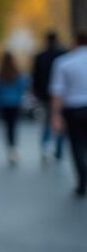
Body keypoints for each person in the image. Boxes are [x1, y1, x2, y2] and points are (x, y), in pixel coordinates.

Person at [50, 31, 87, 197]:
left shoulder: (64, 62)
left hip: (74, 109)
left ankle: (82, 180)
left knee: (77, 146)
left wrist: (56, 115)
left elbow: (58, 92)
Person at [31, 31, 67, 162]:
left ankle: (45, 146)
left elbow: (35, 76)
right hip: (62, 95)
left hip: (45, 94)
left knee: (47, 121)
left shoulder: (40, 56)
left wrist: (36, 92)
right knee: (60, 121)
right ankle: (58, 149)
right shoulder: (63, 55)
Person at [0, 51, 29, 166]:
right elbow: (22, 87)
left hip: (3, 103)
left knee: (7, 127)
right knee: (14, 126)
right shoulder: (17, 73)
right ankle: (14, 149)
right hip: (15, 103)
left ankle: (10, 149)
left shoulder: (0, 73)